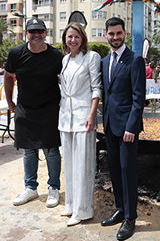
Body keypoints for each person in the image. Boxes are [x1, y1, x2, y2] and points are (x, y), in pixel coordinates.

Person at [4, 18, 63, 208]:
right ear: (26, 33)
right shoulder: (16, 53)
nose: (36, 34)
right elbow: (8, 75)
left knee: (51, 151)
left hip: (49, 109)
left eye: (40, 31)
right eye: (32, 31)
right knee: (28, 151)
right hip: (25, 109)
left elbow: (68, 81)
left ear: (46, 33)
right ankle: (30, 188)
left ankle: (53, 187)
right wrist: (9, 101)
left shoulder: (56, 56)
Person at [101, 17, 146, 240]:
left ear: (124, 34)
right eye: (111, 34)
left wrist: (132, 126)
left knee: (128, 171)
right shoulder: (104, 61)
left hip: (127, 129)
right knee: (115, 171)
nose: (115, 37)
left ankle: (130, 217)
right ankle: (119, 209)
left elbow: (139, 99)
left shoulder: (135, 60)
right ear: (106, 35)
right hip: (109, 126)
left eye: (119, 33)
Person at [58, 22, 102, 226]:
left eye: (76, 36)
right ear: (65, 40)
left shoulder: (92, 57)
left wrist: (92, 115)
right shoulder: (65, 59)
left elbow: (96, 88)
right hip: (65, 117)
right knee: (69, 163)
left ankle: (83, 210)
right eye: (69, 37)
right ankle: (71, 205)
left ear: (82, 38)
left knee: (83, 164)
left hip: (84, 116)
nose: (73, 40)